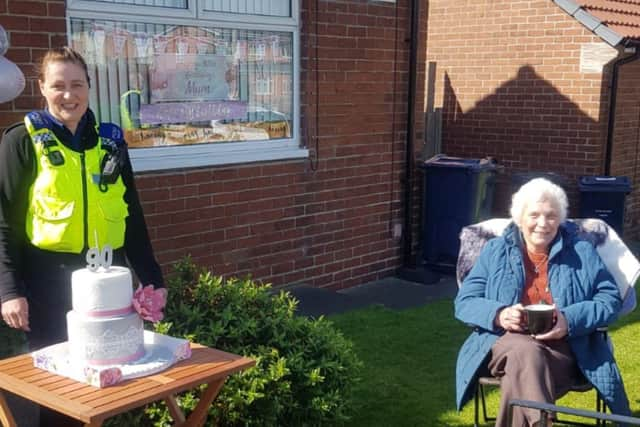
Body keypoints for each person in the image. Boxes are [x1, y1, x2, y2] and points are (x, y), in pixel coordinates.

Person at [0, 46, 164, 426]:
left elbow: (132, 214)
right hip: (49, 282)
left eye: (77, 84)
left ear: (89, 87)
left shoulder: (110, 142)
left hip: (110, 279)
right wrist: (9, 290)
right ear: (42, 88)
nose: (68, 95)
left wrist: (153, 278)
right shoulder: (20, 141)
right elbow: (4, 221)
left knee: (115, 380)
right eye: (58, 85)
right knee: (60, 389)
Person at [454, 178, 630, 426]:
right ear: (519, 217)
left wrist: (569, 320)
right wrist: (499, 313)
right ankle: (541, 421)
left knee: (523, 367)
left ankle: (540, 421)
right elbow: (465, 302)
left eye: (551, 216)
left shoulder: (581, 251)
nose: (542, 224)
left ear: (560, 219)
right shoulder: (495, 251)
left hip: (564, 350)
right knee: (524, 350)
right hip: (504, 344)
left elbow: (609, 299)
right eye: (534, 215)